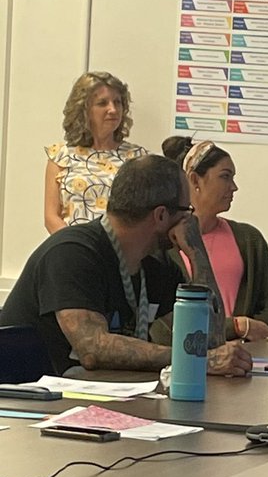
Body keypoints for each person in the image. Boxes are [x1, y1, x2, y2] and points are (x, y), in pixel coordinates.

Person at [2, 155, 251, 377]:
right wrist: (193, 361)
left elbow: (209, 340)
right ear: (161, 215)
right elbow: (92, 349)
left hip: (98, 399)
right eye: (186, 211)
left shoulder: (156, 264)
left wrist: (198, 254)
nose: (188, 220)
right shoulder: (72, 253)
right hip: (27, 404)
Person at [160, 136, 268, 341]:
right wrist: (235, 327)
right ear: (194, 180)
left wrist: (238, 332)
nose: (234, 187)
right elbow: (162, 326)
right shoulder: (163, 245)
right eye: (225, 177)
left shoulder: (249, 239)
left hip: (243, 360)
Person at [44, 71, 146, 232]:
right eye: (102, 103)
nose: (112, 109)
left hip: (122, 252)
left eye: (117, 102)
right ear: (84, 110)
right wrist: (75, 246)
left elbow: (144, 216)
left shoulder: (138, 158)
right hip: (73, 249)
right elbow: (51, 217)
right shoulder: (60, 156)